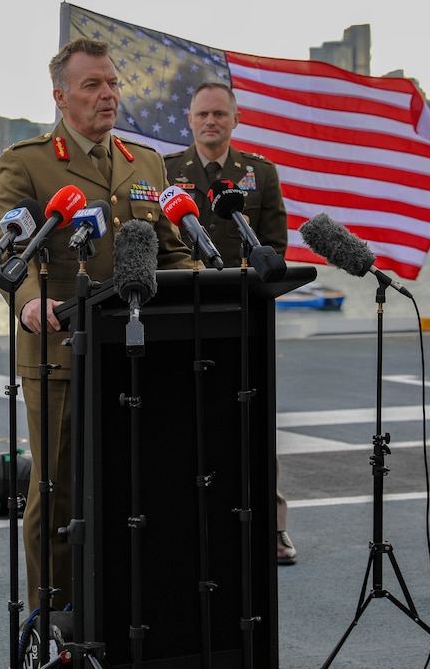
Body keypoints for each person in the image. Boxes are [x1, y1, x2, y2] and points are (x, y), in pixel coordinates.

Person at [0, 38, 193, 613]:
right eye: (92, 85)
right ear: (60, 95)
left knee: (135, 480)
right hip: (60, 347)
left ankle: (122, 603)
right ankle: (50, 614)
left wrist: (215, 278)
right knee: (55, 490)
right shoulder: (27, 160)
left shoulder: (145, 162)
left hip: (135, 349)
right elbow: (11, 252)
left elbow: (169, 252)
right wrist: (30, 302)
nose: (108, 95)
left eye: (112, 83)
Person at [164, 81, 295, 565]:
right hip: (184, 314)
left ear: (235, 120)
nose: (210, 122)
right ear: (191, 120)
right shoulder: (167, 174)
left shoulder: (259, 174)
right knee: (183, 419)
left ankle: (273, 528)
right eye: (202, 114)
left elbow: (276, 247)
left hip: (245, 316)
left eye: (219, 114)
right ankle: (188, 521)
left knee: (255, 421)